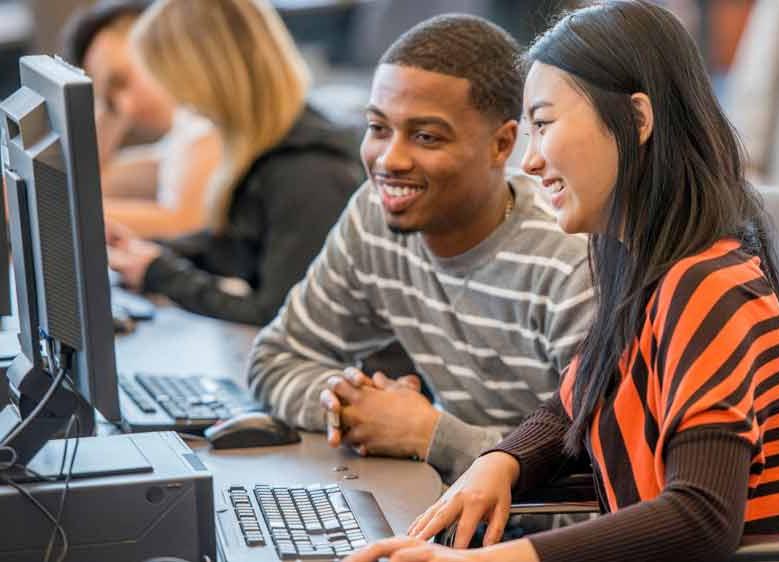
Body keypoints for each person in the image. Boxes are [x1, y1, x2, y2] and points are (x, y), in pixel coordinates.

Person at [348, 2, 779, 562]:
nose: (530, 161)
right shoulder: (642, 263)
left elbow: (701, 517)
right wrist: (500, 462)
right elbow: (575, 406)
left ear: (637, 120)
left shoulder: (710, 285)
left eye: (544, 125)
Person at [248, 14, 594, 483]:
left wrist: (431, 434)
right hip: (446, 505)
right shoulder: (375, 217)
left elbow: (599, 459)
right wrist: (347, 405)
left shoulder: (569, 263)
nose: (390, 160)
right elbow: (276, 358)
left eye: (426, 136)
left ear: (502, 144)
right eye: (378, 128)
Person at [106, 0, 363, 326]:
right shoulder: (267, 144)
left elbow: (278, 315)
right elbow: (240, 246)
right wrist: (152, 251)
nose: (183, 104)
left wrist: (163, 276)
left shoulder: (307, 171)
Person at [62, 0, 222, 238]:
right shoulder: (182, 135)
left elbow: (186, 223)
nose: (126, 107)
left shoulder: (206, 123)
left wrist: (57, 214)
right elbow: (98, 181)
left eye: (122, 80)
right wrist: (107, 108)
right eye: (112, 99)